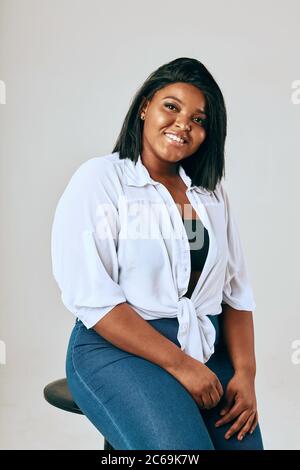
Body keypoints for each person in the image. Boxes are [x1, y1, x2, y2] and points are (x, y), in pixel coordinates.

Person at [51, 57, 264, 450]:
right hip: (119, 349)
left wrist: (246, 374)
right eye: (172, 106)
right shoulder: (102, 180)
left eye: (199, 119)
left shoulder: (209, 194)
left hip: (201, 348)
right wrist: (181, 366)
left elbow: (235, 293)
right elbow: (94, 300)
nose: (183, 123)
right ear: (145, 106)